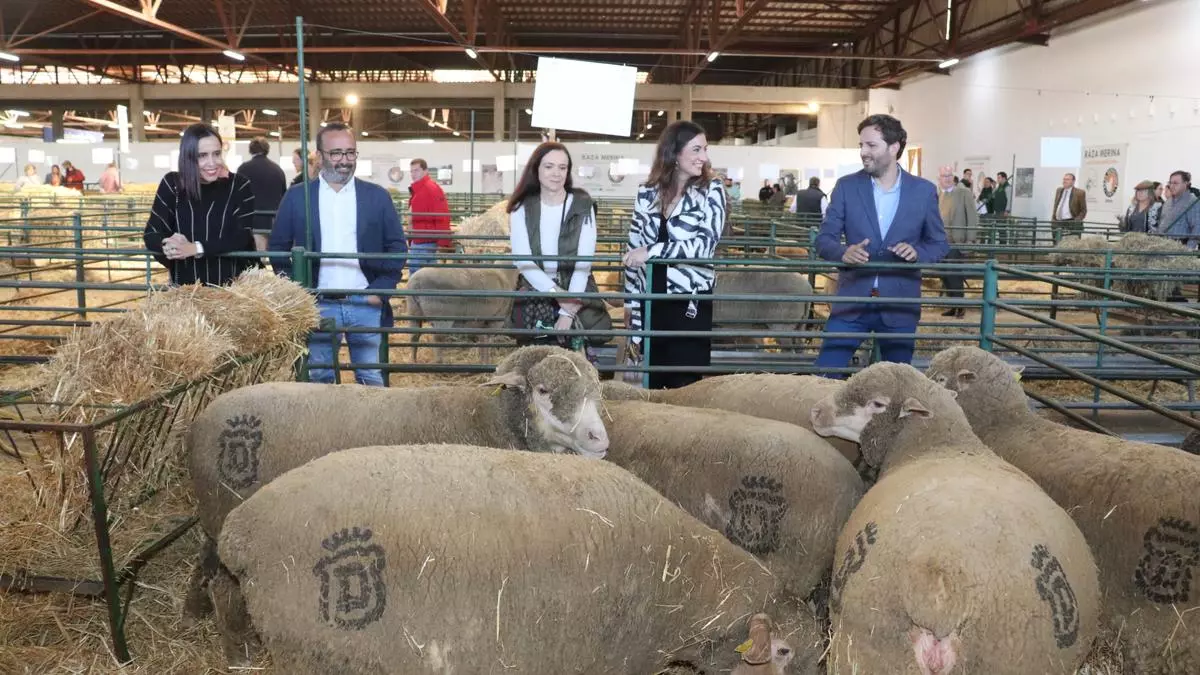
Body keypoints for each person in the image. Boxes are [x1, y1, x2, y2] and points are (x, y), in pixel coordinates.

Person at [269, 122, 407, 387]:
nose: (344, 161)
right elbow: (277, 248)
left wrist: (381, 290)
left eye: (350, 153)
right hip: (318, 304)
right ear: (319, 157)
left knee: (371, 376)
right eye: (336, 154)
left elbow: (397, 247)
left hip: (365, 301)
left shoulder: (377, 197)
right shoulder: (298, 197)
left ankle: (373, 430)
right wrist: (297, 292)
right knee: (320, 376)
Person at [813, 114, 948, 375]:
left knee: (896, 381)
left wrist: (917, 253)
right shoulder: (847, 187)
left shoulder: (923, 191)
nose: (863, 152)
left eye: (871, 145)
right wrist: (843, 252)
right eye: (861, 145)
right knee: (826, 374)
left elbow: (939, 243)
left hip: (899, 303)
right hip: (852, 302)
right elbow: (824, 239)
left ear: (894, 147)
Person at [623, 120, 726, 390]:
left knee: (685, 385)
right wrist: (630, 305)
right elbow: (633, 250)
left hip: (689, 302)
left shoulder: (711, 191)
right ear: (674, 153)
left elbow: (704, 246)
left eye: (705, 149)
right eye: (696, 150)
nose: (703, 157)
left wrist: (652, 251)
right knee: (652, 383)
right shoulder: (646, 194)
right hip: (651, 300)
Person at [507, 142, 611, 349]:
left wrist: (567, 312)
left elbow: (584, 262)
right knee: (534, 355)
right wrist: (559, 296)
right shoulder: (521, 207)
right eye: (549, 166)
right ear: (536, 169)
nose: (556, 173)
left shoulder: (582, 204)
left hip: (577, 288)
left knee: (581, 355)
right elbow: (523, 260)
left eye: (562, 168)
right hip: (537, 289)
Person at [143, 123, 260, 287]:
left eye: (217, 154)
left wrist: (195, 248)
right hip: (184, 289)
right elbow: (152, 233)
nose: (212, 163)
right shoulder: (172, 184)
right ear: (188, 158)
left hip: (232, 289)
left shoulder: (239, 185)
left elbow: (241, 236)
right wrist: (168, 244)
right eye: (202, 156)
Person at [936, 164, 978, 319]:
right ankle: (953, 305)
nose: (947, 179)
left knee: (954, 274)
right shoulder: (940, 195)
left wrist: (970, 240)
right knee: (944, 275)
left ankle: (960, 306)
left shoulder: (963, 193)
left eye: (949, 176)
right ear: (939, 179)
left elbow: (972, 217)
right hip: (942, 243)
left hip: (957, 242)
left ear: (953, 177)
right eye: (943, 176)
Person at [236, 137, 287, 251]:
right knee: (274, 254)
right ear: (267, 149)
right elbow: (284, 195)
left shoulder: (244, 169)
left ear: (251, 150)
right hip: (274, 219)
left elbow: (237, 195)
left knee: (258, 254)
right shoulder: (277, 169)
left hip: (253, 219)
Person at [407, 158, 452, 275]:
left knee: (417, 272)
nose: (413, 174)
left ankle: (416, 294)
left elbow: (442, 215)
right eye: (411, 171)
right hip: (420, 239)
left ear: (425, 171)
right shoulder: (419, 189)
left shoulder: (431, 189)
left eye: (416, 170)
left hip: (424, 240)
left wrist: (443, 243)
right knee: (428, 274)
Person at [1159, 170, 1200, 249]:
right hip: (1163, 246)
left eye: (1175, 183)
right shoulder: (1168, 202)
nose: (1172, 186)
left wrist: (1188, 250)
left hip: (1179, 248)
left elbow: (1197, 228)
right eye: (1170, 183)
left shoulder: (1193, 202)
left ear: (1185, 184)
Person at [1051, 173, 1087, 238]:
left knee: (1071, 245)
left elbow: (1083, 210)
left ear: (1073, 181)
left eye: (1067, 179)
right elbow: (1056, 205)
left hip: (1071, 222)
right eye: (1064, 179)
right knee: (1056, 243)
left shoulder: (1080, 193)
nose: (1064, 181)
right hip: (1058, 222)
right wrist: (1053, 218)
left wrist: (1076, 221)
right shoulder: (1059, 190)